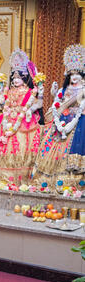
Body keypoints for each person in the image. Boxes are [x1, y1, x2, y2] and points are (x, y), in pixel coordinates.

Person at [0, 48, 44, 186]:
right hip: (7, 121)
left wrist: (30, 108)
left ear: (25, 77)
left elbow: (39, 103)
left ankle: (22, 180)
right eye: (13, 77)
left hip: (24, 123)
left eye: (19, 77)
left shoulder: (31, 91)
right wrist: (0, 95)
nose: (15, 80)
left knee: (22, 149)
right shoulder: (9, 90)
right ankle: (1, 179)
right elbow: (4, 108)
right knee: (2, 149)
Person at [31, 44, 85, 191]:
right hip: (60, 122)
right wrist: (55, 94)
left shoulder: (83, 89)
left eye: (78, 73)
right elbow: (57, 105)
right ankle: (47, 182)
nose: (74, 77)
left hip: (78, 123)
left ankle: (71, 185)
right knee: (52, 147)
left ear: (82, 74)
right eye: (72, 73)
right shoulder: (64, 89)